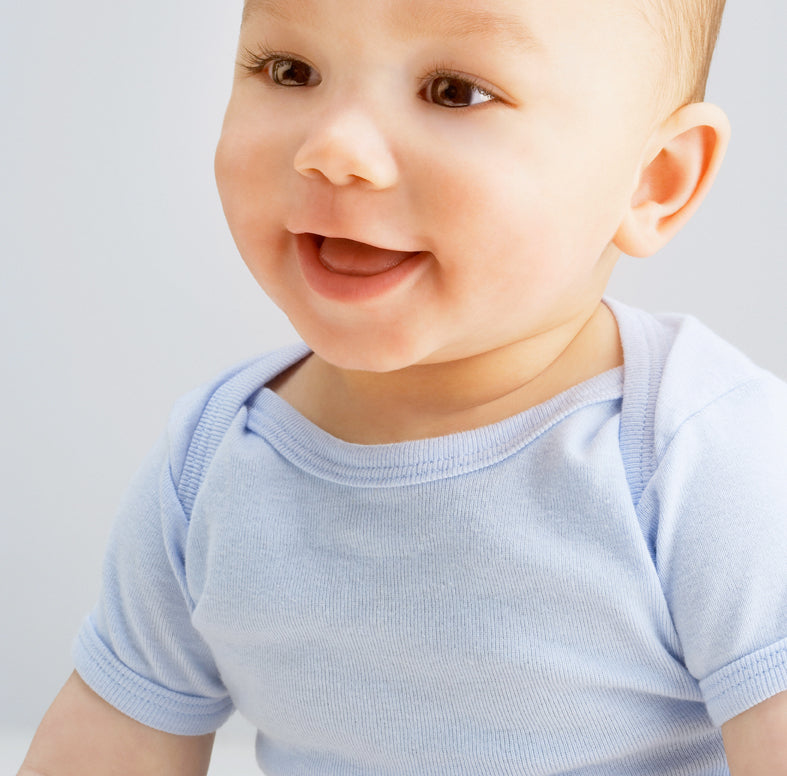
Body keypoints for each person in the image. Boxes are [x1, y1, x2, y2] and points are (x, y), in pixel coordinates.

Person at [19, 0, 787, 773]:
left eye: (453, 91)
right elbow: (111, 742)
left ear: (653, 181)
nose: (334, 149)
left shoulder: (700, 456)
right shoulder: (214, 463)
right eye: (290, 71)